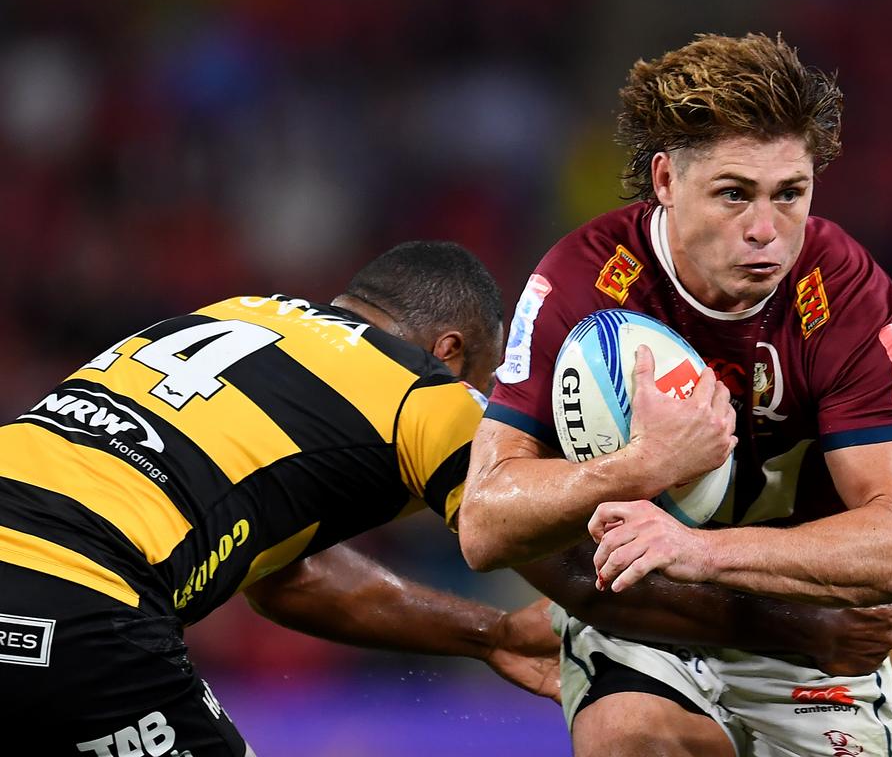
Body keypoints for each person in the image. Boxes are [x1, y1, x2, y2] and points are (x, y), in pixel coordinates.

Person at [459, 33, 892, 756]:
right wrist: (640, 465)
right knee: (633, 737)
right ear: (664, 181)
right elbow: (484, 525)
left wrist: (692, 549)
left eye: (791, 195)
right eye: (733, 194)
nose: (765, 232)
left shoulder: (845, 291)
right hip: (651, 616)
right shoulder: (579, 282)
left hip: (809, 630)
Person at [0, 240, 561, 756]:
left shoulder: (235, 311)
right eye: (485, 378)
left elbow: (292, 578)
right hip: (76, 598)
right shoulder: (426, 389)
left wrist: (494, 637)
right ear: (451, 351)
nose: (482, 399)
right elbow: (523, 532)